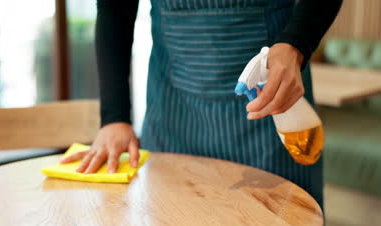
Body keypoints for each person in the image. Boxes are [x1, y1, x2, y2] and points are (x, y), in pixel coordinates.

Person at [61, 0, 342, 208]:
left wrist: (295, 44)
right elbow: (114, 9)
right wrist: (115, 117)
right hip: (173, 113)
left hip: (270, 109)